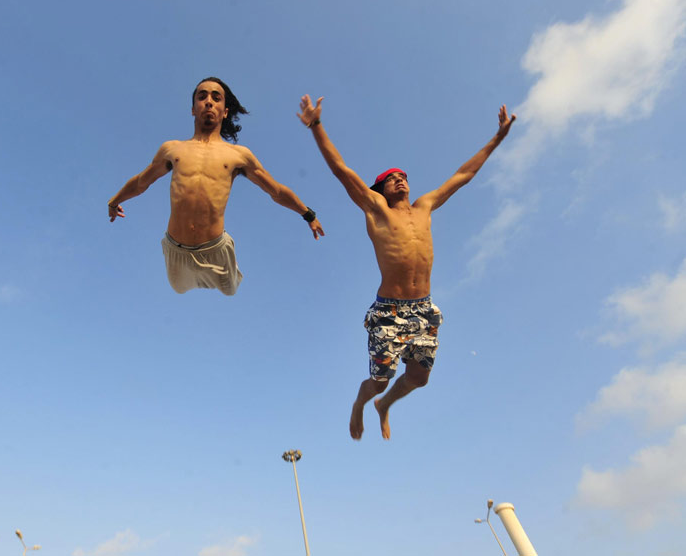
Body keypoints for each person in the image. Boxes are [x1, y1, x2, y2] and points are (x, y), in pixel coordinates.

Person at [297, 94, 515, 440]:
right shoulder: (375, 209)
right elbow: (341, 169)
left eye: (404, 176)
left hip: (424, 307)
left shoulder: (425, 206)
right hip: (389, 310)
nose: (400, 179)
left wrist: (498, 137)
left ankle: (385, 406)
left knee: (418, 378)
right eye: (391, 178)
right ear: (380, 188)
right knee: (380, 379)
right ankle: (362, 402)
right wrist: (316, 125)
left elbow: (464, 174)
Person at [108, 77, 325, 296]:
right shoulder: (172, 150)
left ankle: (229, 263)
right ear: (193, 109)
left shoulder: (239, 155)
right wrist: (115, 200)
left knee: (229, 289)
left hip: (215, 249)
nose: (209, 101)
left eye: (216, 97)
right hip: (176, 250)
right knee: (178, 288)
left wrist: (308, 214)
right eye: (202, 97)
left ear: (225, 111)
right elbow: (140, 182)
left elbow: (276, 191)